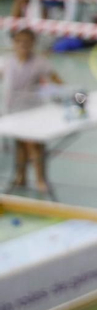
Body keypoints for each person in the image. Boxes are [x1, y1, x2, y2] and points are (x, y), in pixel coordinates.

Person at [3, 29, 61, 191]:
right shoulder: (7, 62)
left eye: (27, 42)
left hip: (34, 112)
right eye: (19, 41)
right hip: (14, 110)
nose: (23, 45)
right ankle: (20, 177)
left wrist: (56, 94)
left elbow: (58, 83)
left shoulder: (40, 63)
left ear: (33, 44)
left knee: (35, 145)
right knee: (20, 144)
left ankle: (40, 179)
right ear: (14, 43)